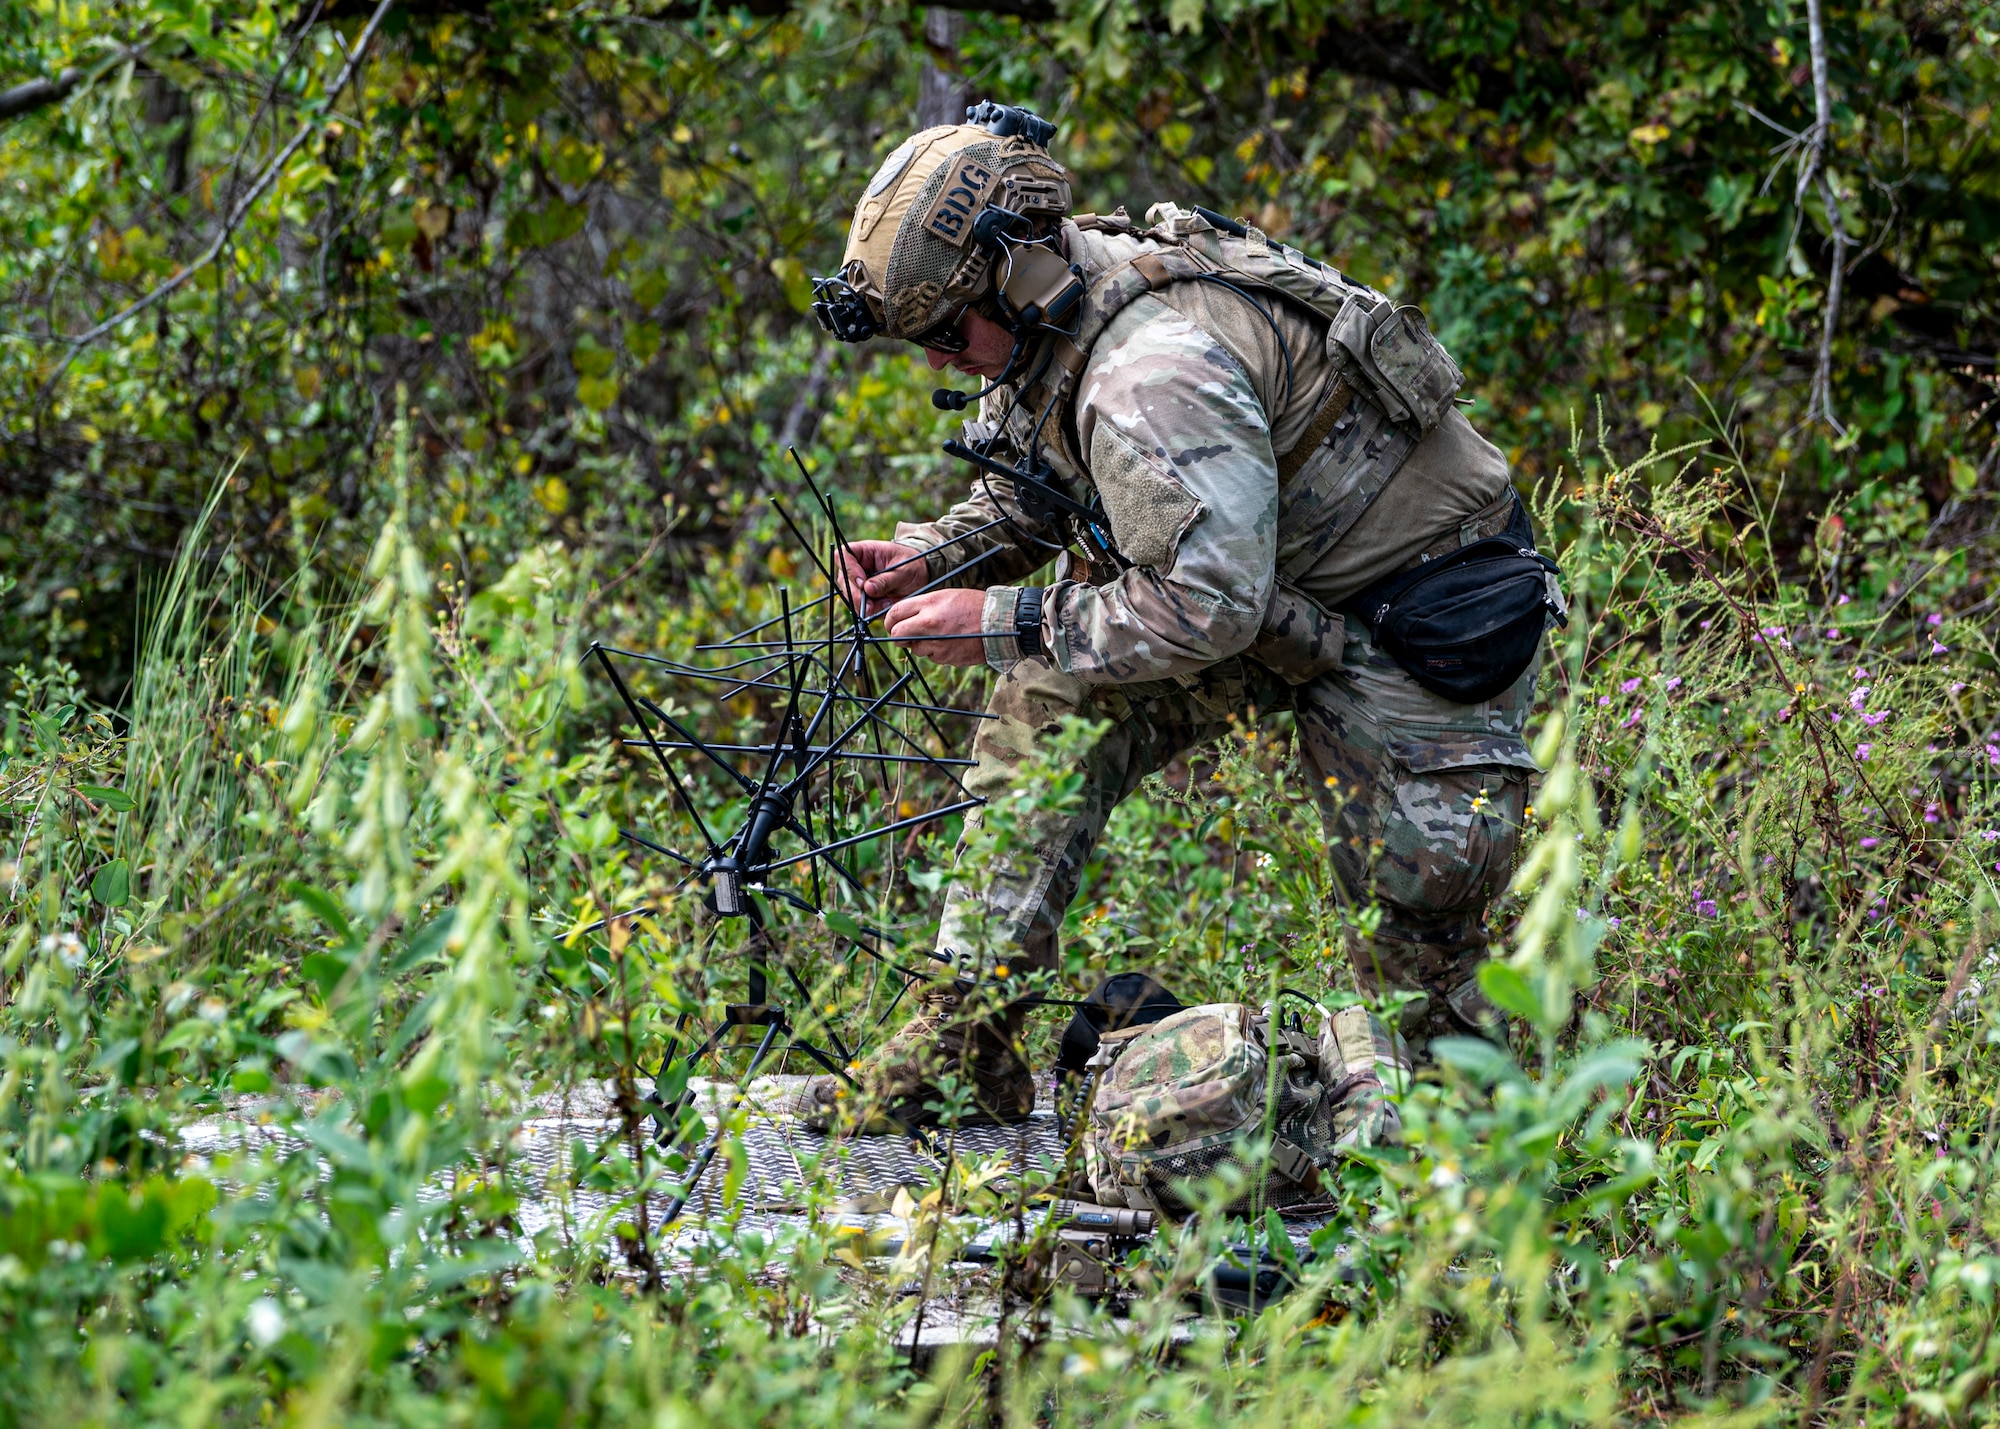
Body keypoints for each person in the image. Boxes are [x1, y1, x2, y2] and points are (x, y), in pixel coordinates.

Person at [798, 102, 1553, 1133]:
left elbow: (1205, 606)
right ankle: (962, 1029)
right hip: (1268, 592)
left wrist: (1002, 616)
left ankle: (1459, 1143)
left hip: (1414, 625)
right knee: (1048, 698)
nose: (936, 358)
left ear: (1009, 275)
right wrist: (936, 554)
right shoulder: (1054, 310)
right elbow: (1037, 487)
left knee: (1419, 966)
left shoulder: (1150, 370)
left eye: (941, 332)